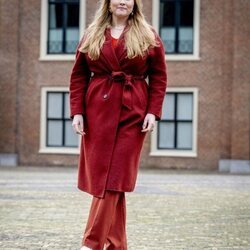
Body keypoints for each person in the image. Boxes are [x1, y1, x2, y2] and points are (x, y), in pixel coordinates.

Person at [69, 0, 167, 249]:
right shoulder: (91, 34)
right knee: (107, 178)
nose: (122, 1)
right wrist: (77, 112)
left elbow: (159, 76)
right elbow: (79, 75)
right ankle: (116, 245)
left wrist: (153, 112)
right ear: (108, 3)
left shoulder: (148, 34)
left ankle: (91, 243)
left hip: (133, 110)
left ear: (135, 4)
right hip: (97, 112)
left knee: (115, 176)